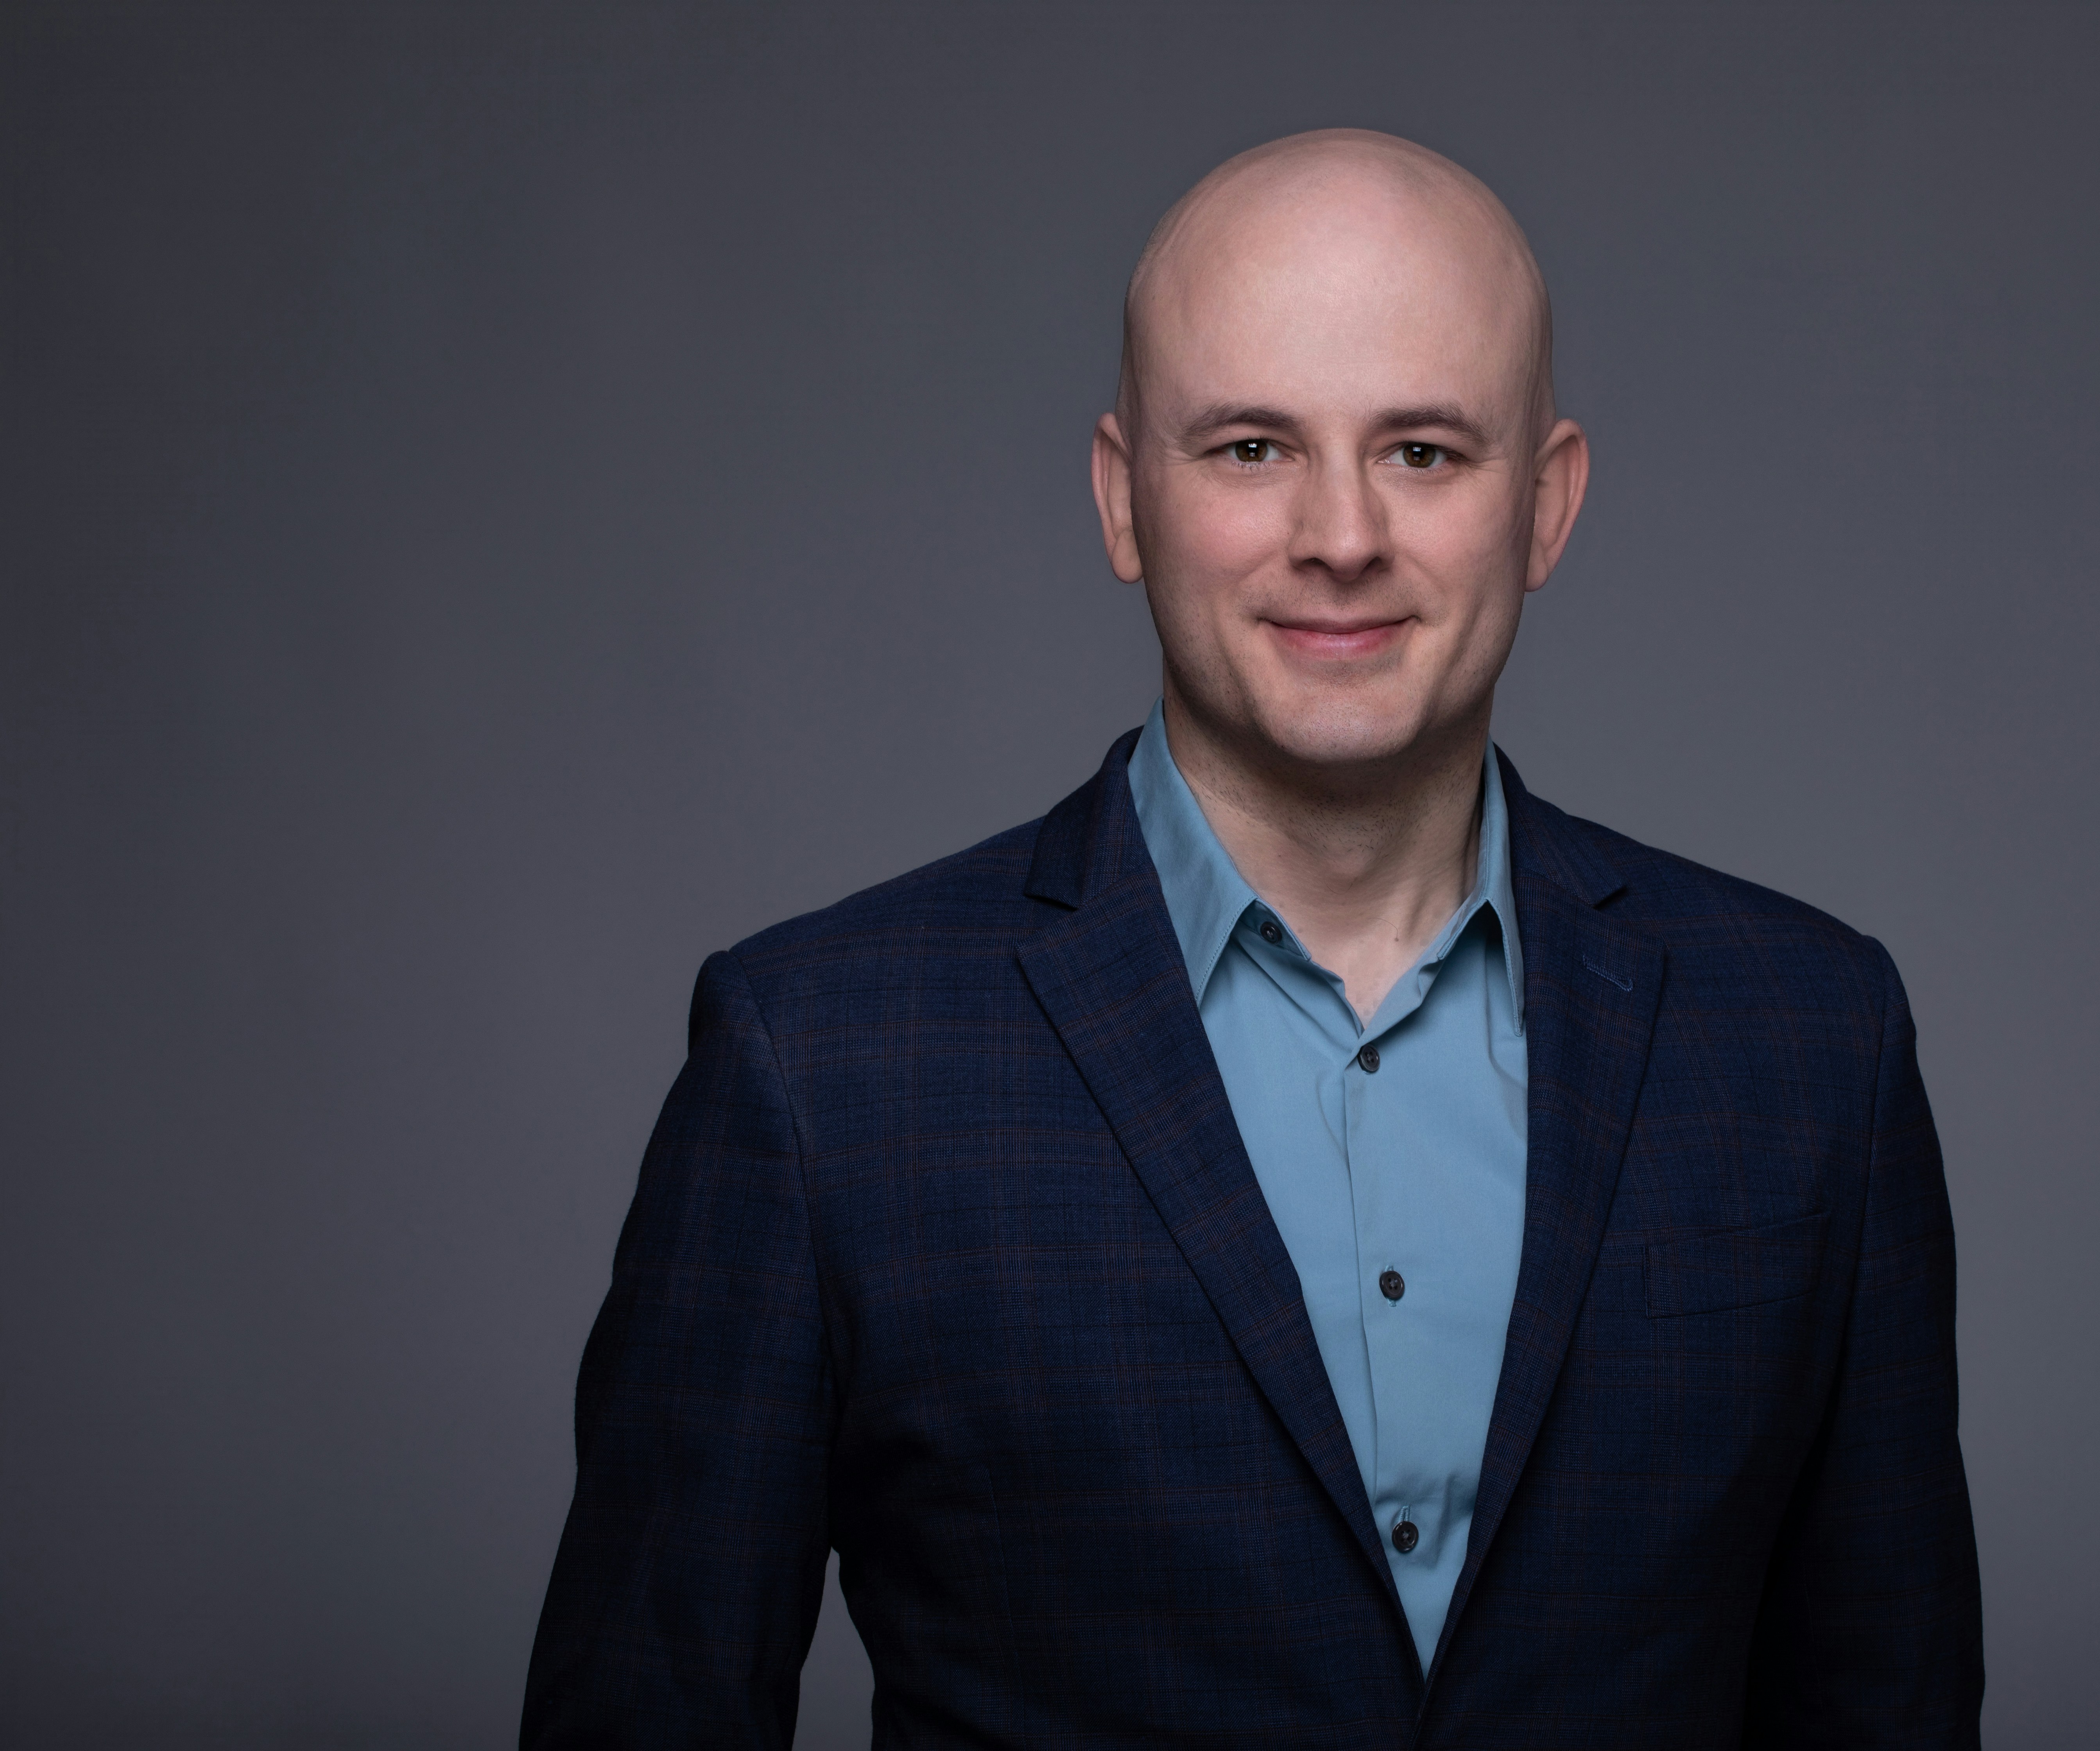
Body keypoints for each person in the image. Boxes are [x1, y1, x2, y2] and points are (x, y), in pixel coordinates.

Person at [521, 128, 1981, 1749]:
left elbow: (1890, 1707)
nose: (1342, 534)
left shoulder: (1809, 1043)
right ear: (1123, 496)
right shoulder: (819, 1066)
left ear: (1547, 505)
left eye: (1424, 450)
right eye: (1249, 449)